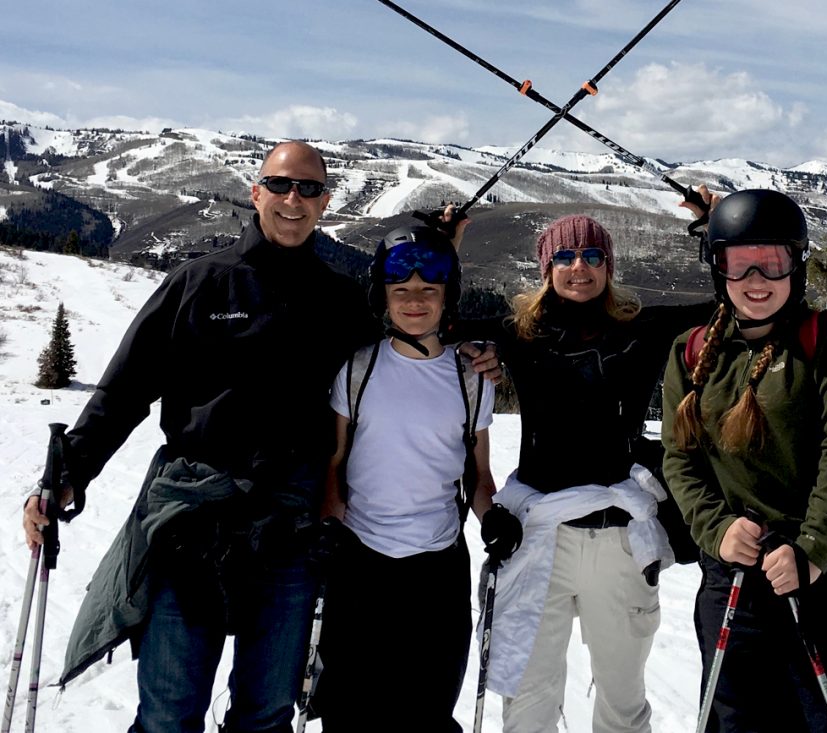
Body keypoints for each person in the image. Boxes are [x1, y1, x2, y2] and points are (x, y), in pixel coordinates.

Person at [23, 140, 376, 733]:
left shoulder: (340, 299)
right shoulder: (201, 282)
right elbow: (126, 389)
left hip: (290, 523)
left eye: (310, 189)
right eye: (282, 186)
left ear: (326, 202)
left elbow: (392, 373)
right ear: (255, 191)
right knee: (169, 713)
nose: (295, 200)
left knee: (265, 713)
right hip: (193, 518)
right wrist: (66, 475)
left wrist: (472, 350)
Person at [661, 189, 827, 732]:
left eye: (772, 261)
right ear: (718, 268)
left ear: (795, 264)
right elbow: (680, 461)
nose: (757, 279)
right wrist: (716, 530)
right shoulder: (693, 352)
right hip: (740, 576)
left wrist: (814, 549)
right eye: (738, 262)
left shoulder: (825, 340)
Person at [456, 212, 713, 733]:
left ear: (608, 266)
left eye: (593, 256)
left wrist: (713, 232)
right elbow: (427, 318)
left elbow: (730, 305)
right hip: (535, 537)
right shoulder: (518, 333)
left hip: (617, 539)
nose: (580, 267)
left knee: (622, 704)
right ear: (546, 266)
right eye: (566, 256)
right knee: (528, 702)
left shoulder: (642, 329)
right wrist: (442, 249)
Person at [313, 224, 522, 732]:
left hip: (436, 570)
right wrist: (329, 524)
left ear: (447, 297)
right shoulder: (357, 370)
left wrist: (491, 515)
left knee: (426, 712)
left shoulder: (470, 376)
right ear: (381, 295)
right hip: (361, 561)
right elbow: (335, 463)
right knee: (350, 710)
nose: (414, 301)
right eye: (401, 291)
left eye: (429, 291)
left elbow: (477, 474)